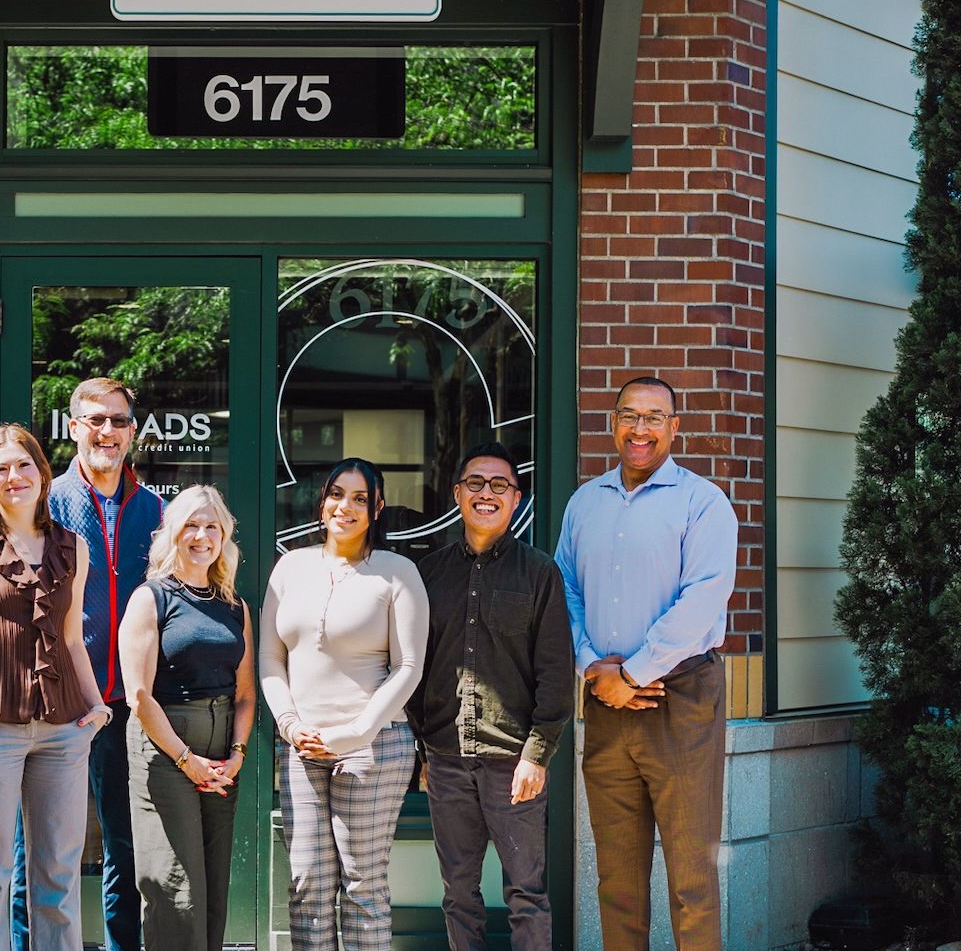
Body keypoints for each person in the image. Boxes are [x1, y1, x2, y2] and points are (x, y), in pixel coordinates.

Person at [556, 377, 739, 951]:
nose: (641, 429)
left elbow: (704, 597)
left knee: (692, 879)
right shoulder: (585, 502)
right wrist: (593, 667)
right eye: (629, 416)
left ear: (674, 427)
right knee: (617, 881)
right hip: (604, 698)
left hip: (680, 696)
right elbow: (564, 588)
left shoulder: (702, 502)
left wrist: (632, 673)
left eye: (654, 417)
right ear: (613, 423)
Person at [0, 424, 113, 951]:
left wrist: (97, 707)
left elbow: (74, 638)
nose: (15, 477)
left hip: (64, 734)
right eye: (2, 468)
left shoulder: (73, 547)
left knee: (56, 879)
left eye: (24, 465)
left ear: (42, 472)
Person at [16, 377, 163, 951]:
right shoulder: (44, 501)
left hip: (127, 704)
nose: (108, 431)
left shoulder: (156, 510)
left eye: (119, 421)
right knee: (40, 847)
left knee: (125, 846)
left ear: (132, 431)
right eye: (96, 420)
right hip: (55, 703)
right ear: (73, 427)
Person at [409, 442, 573, 951]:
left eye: (499, 485)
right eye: (476, 484)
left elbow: (555, 672)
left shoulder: (539, 572)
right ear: (458, 493)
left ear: (516, 498)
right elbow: (415, 667)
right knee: (458, 893)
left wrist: (537, 755)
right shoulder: (429, 574)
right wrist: (424, 749)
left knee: (527, 892)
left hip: (514, 763)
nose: (487, 494)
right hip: (447, 761)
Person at [260, 457, 429, 951]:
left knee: (361, 885)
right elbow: (271, 659)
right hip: (303, 745)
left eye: (360, 498)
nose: (346, 507)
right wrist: (290, 725)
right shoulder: (290, 566)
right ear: (322, 501)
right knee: (306, 883)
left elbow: (409, 667)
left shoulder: (398, 572)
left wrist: (355, 732)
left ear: (377, 508)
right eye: (337, 494)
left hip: (373, 746)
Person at [117, 485, 256, 951]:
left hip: (221, 757)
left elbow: (244, 693)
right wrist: (185, 759)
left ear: (224, 536)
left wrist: (236, 753)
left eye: (211, 526)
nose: (201, 536)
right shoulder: (150, 598)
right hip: (166, 754)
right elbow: (139, 695)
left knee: (213, 887)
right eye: (191, 526)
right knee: (176, 891)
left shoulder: (235, 607)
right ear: (173, 533)